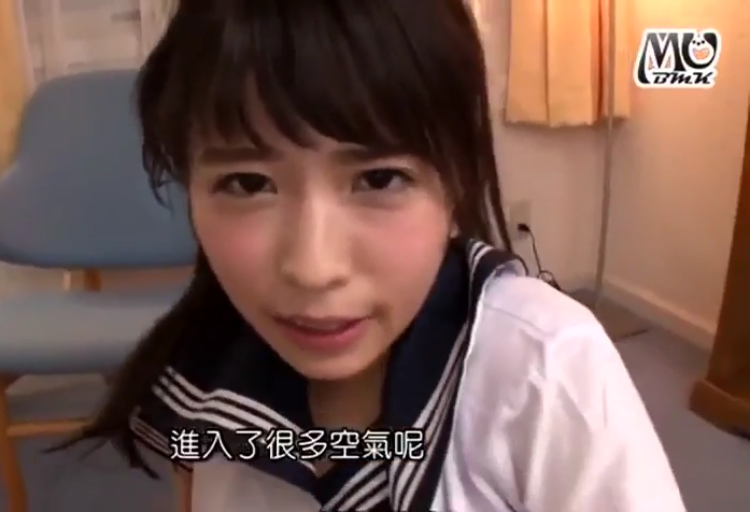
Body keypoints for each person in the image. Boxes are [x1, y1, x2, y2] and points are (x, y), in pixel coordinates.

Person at [56, 0, 686, 510]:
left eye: (379, 178)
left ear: (457, 183)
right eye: (248, 183)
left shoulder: (545, 364)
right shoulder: (205, 369)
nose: (313, 268)